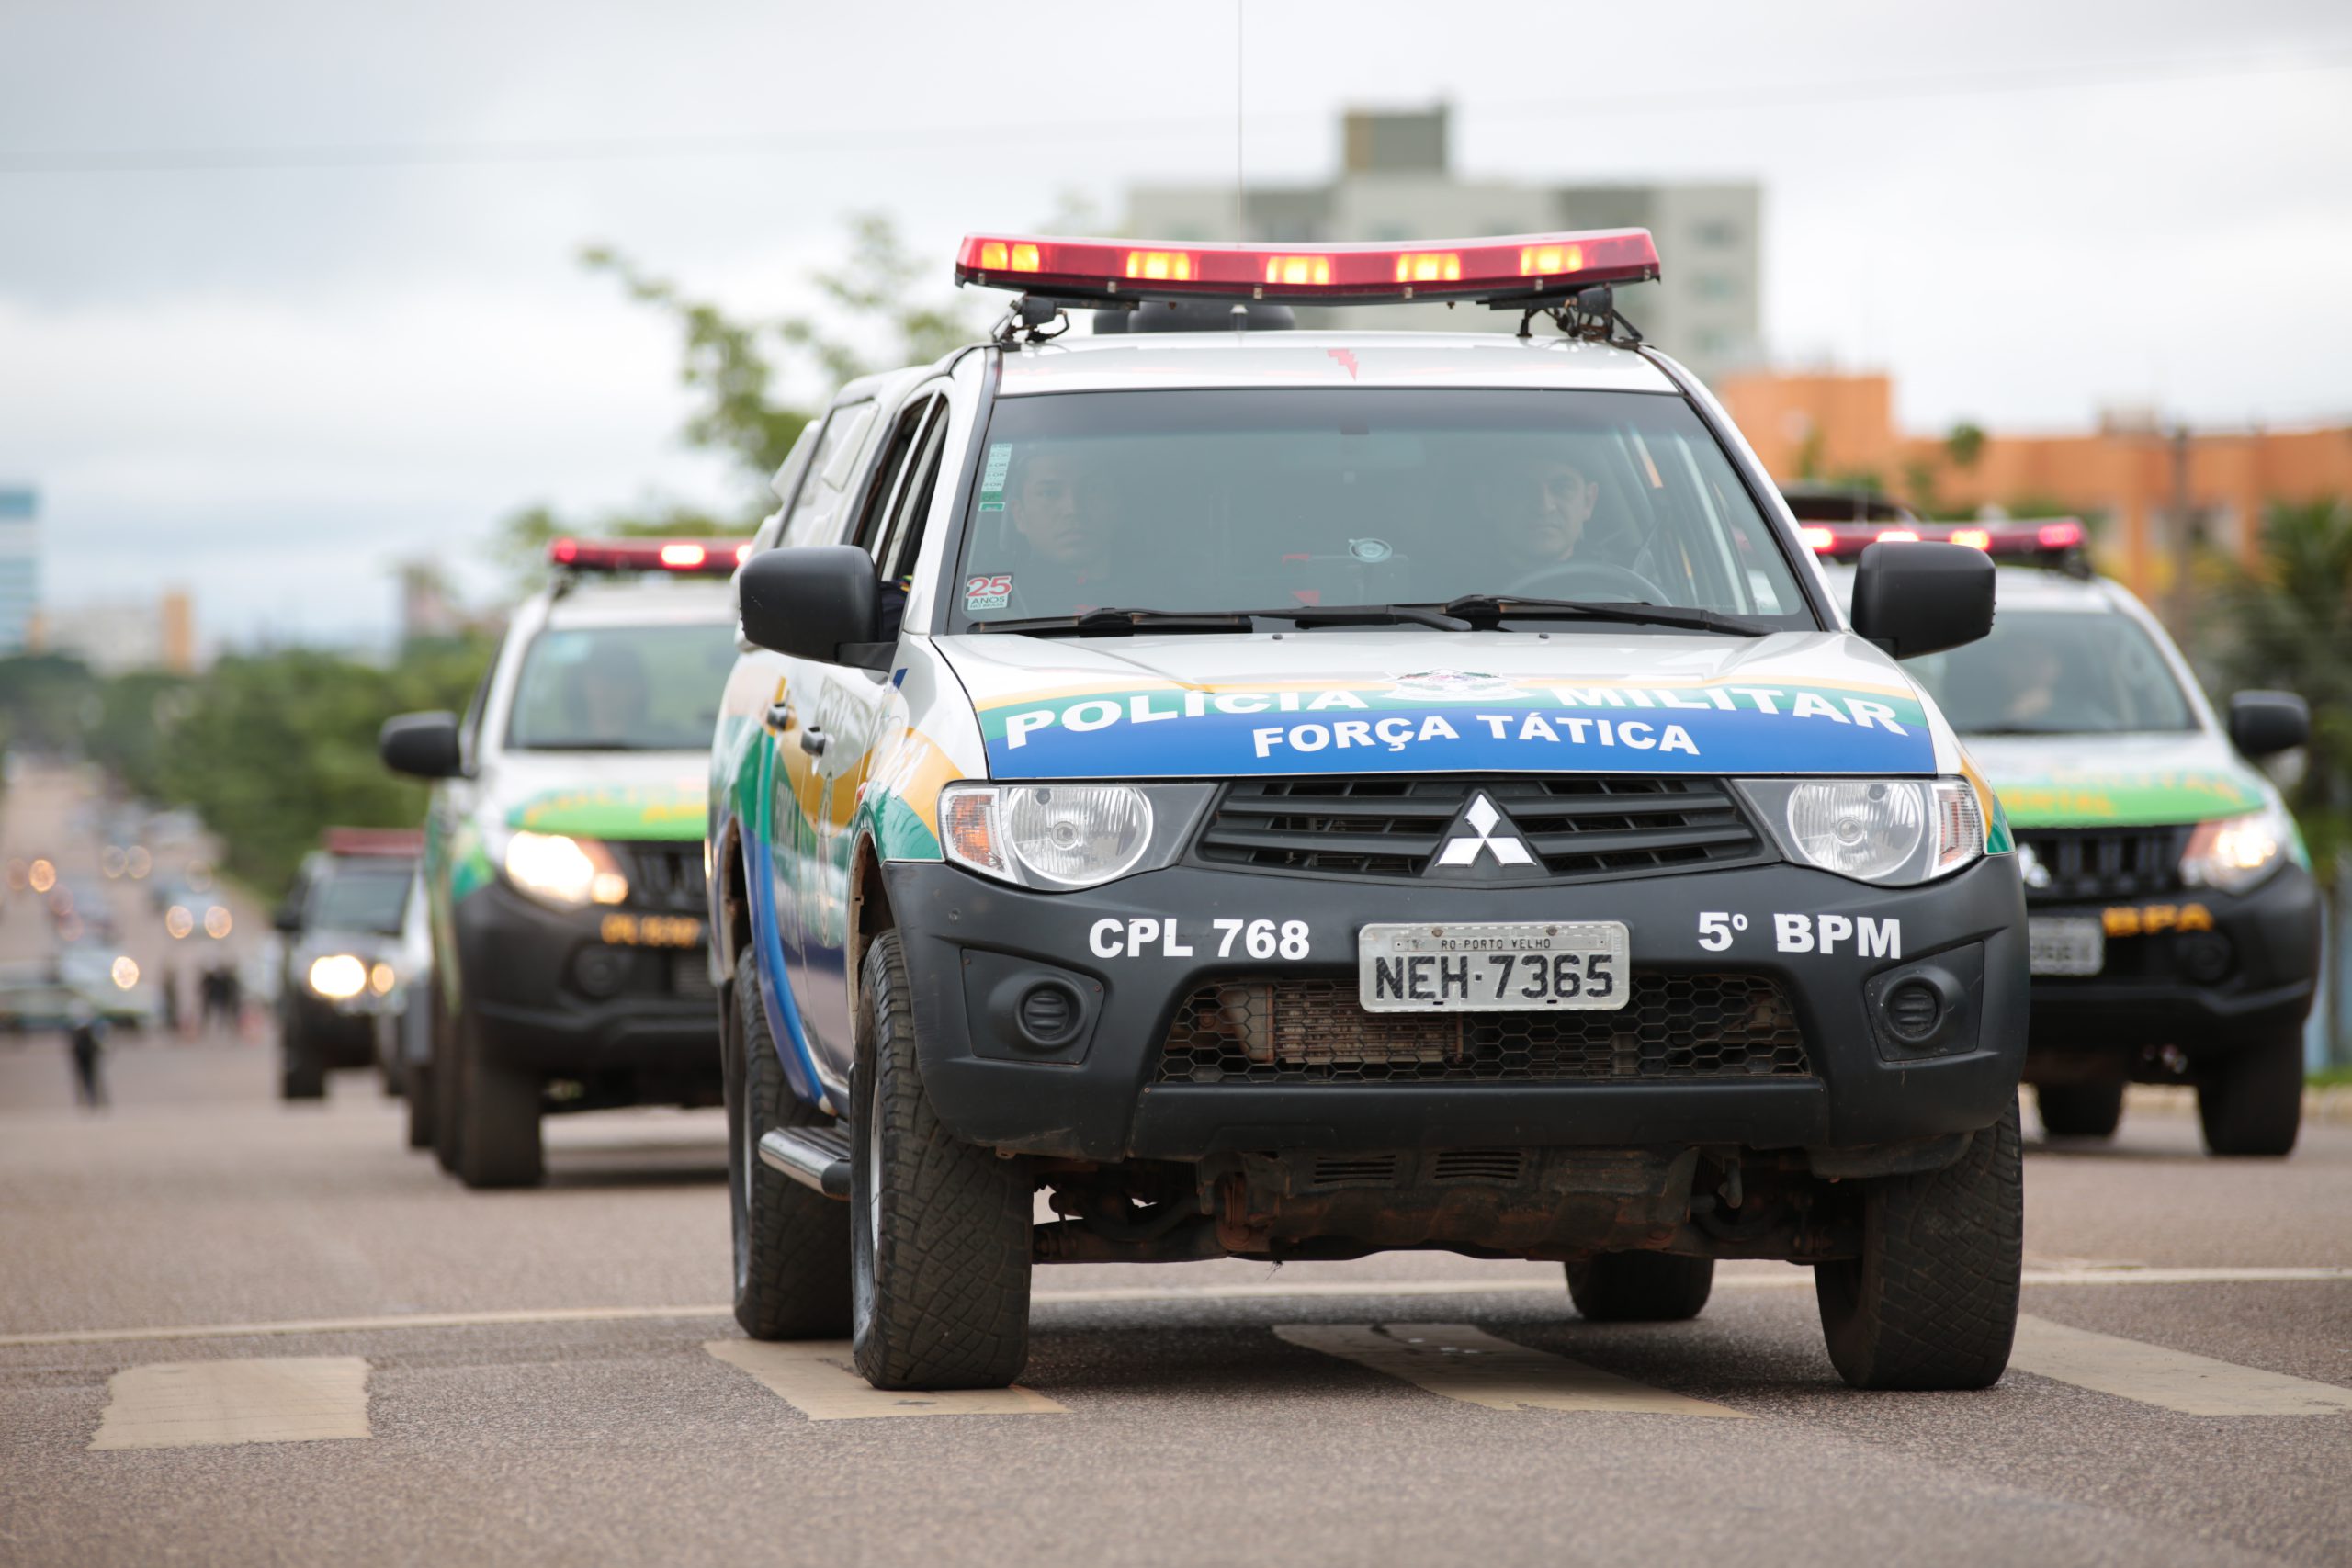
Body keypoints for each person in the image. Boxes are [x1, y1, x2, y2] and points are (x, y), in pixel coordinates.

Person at [1001, 446, 1125, 613]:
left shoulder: (1158, 595)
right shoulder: (1001, 611)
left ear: (1118, 505)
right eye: (1049, 493)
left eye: (1092, 490)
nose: (1073, 509)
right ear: (1019, 515)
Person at [66, 1001, 107, 1110]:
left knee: (91, 1077)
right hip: (82, 1054)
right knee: (84, 1078)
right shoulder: (80, 1028)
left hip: (88, 1054)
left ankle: (94, 1100)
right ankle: (86, 1101)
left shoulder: (89, 1027)